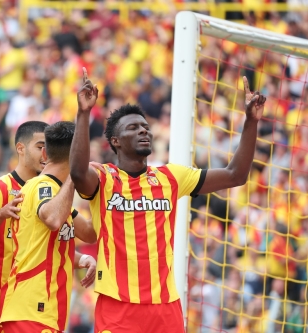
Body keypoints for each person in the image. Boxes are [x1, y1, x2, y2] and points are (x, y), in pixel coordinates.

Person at [69, 68, 266, 332]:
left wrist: (250, 122)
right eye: (133, 128)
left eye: (146, 127)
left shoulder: (171, 176)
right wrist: (83, 114)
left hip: (165, 307)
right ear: (115, 141)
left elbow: (236, 175)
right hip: (118, 306)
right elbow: (78, 173)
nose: (144, 131)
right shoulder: (104, 178)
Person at [0, 121, 96, 333]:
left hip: (33, 306)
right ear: (21, 148)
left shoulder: (55, 194)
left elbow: (79, 234)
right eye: (41, 145)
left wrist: (81, 258)